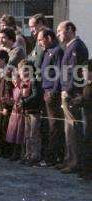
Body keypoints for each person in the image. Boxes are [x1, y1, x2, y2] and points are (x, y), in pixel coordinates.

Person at [57, 21, 89, 174]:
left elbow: (75, 73)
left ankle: (75, 162)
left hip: (72, 94)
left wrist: (68, 91)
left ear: (69, 29)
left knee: (73, 130)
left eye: (60, 30)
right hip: (67, 92)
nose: (58, 34)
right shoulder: (69, 46)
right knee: (68, 129)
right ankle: (69, 159)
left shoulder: (76, 46)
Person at [38, 28, 64, 166]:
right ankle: (50, 155)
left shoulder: (57, 51)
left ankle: (53, 157)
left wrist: (54, 91)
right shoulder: (46, 52)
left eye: (41, 40)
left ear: (48, 38)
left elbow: (59, 73)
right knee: (48, 126)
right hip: (45, 90)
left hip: (52, 92)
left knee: (54, 126)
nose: (40, 43)